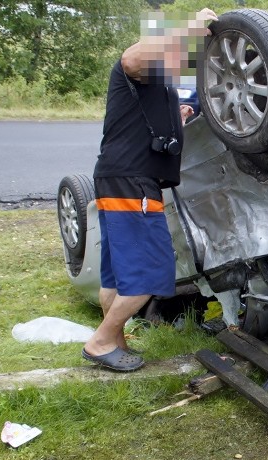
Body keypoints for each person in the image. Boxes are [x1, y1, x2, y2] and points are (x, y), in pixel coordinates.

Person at [82, 8, 217, 372]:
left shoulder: (155, 84)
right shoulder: (138, 65)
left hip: (117, 179)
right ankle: (99, 341)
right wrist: (190, 27)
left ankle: (116, 341)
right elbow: (133, 57)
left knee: (117, 275)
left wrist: (179, 120)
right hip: (133, 183)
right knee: (148, 274)